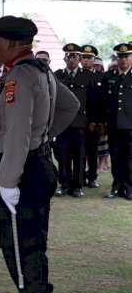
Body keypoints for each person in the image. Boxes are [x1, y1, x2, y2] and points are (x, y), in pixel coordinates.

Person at [0, 16, 78, 293]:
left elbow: (16, 134)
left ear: (12, 44)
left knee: (19, 245)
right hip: (38, 164)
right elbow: (71, 106)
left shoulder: (20, 77)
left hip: (22, 170)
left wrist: (8, 181)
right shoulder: (41, 72)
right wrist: (44, 137)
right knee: (31, 243)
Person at [53, 43, 96, 198]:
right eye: (68, 56)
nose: (71, 59)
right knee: (62, 155)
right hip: (62, 124)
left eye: (74, 56)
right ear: (64, 59)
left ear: (79, 58)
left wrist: (92, 121)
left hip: (80, 122)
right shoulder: (57, 75)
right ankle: (64, 185)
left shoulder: (88, 76)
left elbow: (92, 101)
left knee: (79, 155)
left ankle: (77, 186)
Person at [100, 43, 132, 200]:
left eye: (126, 56)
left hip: (130, 126)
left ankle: (130, 188)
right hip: (113, 125)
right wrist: (102, 122)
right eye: (120, 56)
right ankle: (117, 187)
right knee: (116, 156)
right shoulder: (109, 77)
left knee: (130, 158)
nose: (122, 60)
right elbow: (103, 102)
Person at [80, 45, 102, 189]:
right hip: (79, 121)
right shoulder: (76, 75)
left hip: (95, 121)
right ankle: (80, 178)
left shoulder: (101, 77)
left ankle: (92, 177)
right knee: (79, 151)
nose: (86, 60)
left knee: (93, 152)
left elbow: (102, 102)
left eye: (89, 58)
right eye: (84, 57)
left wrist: (99, 121)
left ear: (94, 59)